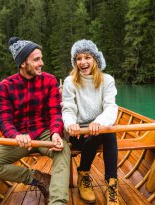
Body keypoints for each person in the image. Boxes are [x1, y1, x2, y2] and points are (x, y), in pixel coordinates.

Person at [0, 37, 70, 205]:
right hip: (19, 137)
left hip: (44, 133)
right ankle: (36, 177)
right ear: (23, 63)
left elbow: (55, 113)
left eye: (41, 58)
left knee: (62, 149)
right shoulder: (6, 86)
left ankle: (58, 202)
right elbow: (4, 119)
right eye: (36, 59)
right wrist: (16, 135)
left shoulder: (50, 80)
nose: (41, 63)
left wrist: (56, 133)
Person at [62, 39, 119, 205]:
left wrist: (99, 122)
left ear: (95, 59)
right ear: (75, 62)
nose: (82, 62)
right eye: (78, 58)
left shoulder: (107, 80)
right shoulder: (70, 81)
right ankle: (85, 175)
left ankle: (111, 184)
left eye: (87, 57)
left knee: (108, 132)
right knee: (104, 134)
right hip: (78, 132)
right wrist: (71, 124)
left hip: (99, 128)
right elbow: (68, 108)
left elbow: (110, 107)